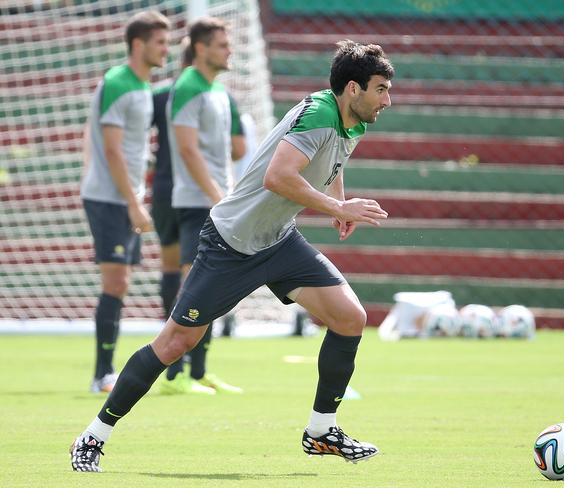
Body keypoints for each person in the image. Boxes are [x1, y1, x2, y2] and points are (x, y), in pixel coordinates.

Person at [70, 39, 394, 472]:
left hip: (277, 241)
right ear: (353, 89)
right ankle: (93, 436)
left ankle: (321, 431)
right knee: (176, 342)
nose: (387, 100)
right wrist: (336, 207)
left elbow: (332, 160)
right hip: (230, 244)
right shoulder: (319, 114)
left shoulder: (352, 120)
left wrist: (337, 198)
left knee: (349, 318)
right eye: (380, 89)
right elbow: (277, 178)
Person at [79, 10, 170, 394]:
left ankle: (104, 370)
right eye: (160, 42)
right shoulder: (118, 81)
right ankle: (103, 373)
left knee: (123, 282)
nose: (166, 49)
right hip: (110, 198)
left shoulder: (142, 86)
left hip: (123, 196)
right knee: (115, 281)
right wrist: (134, 201)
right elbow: (113, 151)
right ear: (139, 44)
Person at [157, 18, 245, 395]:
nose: (229, 50)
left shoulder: (218, 91)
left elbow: (229, 150)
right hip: (197, 204)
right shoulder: (189, 86)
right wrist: (215, 196)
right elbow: (187, 149)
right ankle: (175, 374)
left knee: (210, 286)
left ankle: (197, 372)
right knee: (196, 287)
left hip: (215, 201)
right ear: (200, 48)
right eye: (222, 44)